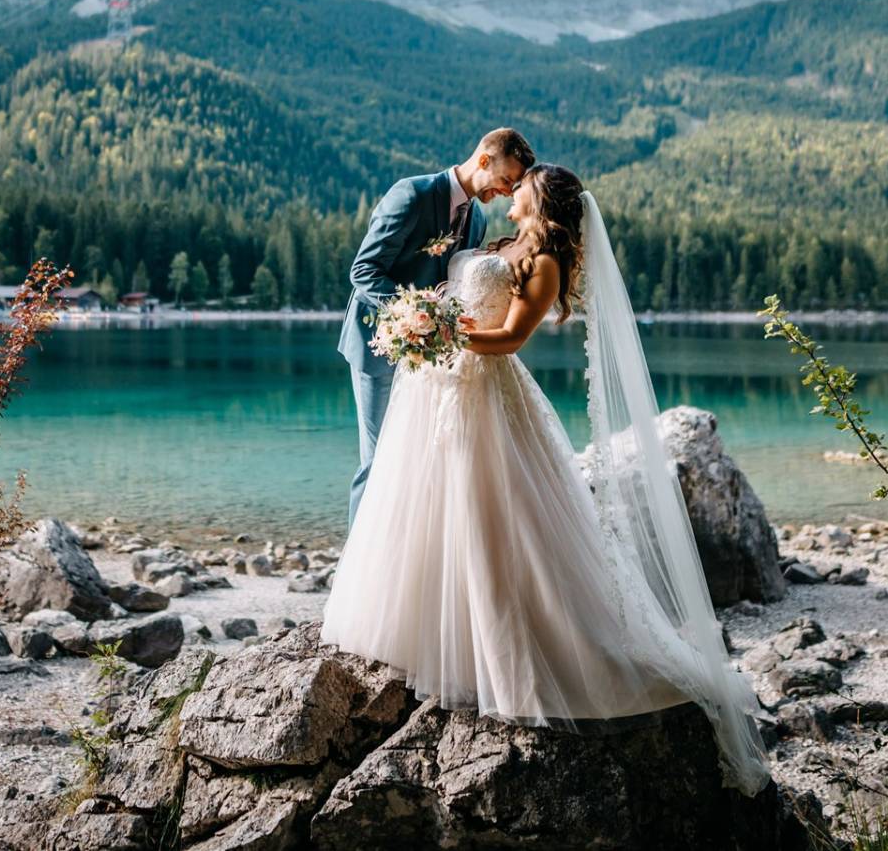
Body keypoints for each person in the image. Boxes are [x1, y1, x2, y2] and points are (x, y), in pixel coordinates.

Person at [321, 162, 771, 797]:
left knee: (493, 515)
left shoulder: (546, 264)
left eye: (519, 193)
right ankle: (419, 626)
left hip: (480, 386)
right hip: (436, 386)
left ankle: (511, 646)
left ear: (541, 202)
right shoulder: (502, 242)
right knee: (425, 504)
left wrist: (441, 332)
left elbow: (508, 339)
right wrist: (428, 325)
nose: (507, 202)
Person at [337, 127, 533, 529]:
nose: (509, 191)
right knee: (377, 462)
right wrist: (416, 312)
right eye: (506, 180)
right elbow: (363, 271)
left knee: (418, 463)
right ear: (484, 160)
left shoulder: (476, 217)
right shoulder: (412, 194)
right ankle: (356, 572)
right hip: (380, 344)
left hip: (432, 356)